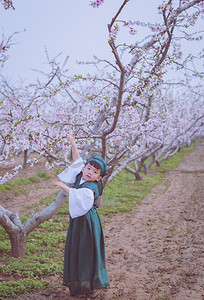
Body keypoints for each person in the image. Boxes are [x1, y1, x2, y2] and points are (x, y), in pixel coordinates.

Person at [54, 134, 110, 298]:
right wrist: (73, 143)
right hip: (79, 221)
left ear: (99, 177)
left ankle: (94, 285)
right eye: (88, 168)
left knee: (87, 251)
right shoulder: (82, 174)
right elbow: (78, 160)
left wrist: (64, 187)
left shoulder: (92, 187)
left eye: (94, 171)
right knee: (78, 248)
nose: (89, 172)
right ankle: (79, 285)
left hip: (88, 222)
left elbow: (80, 196)